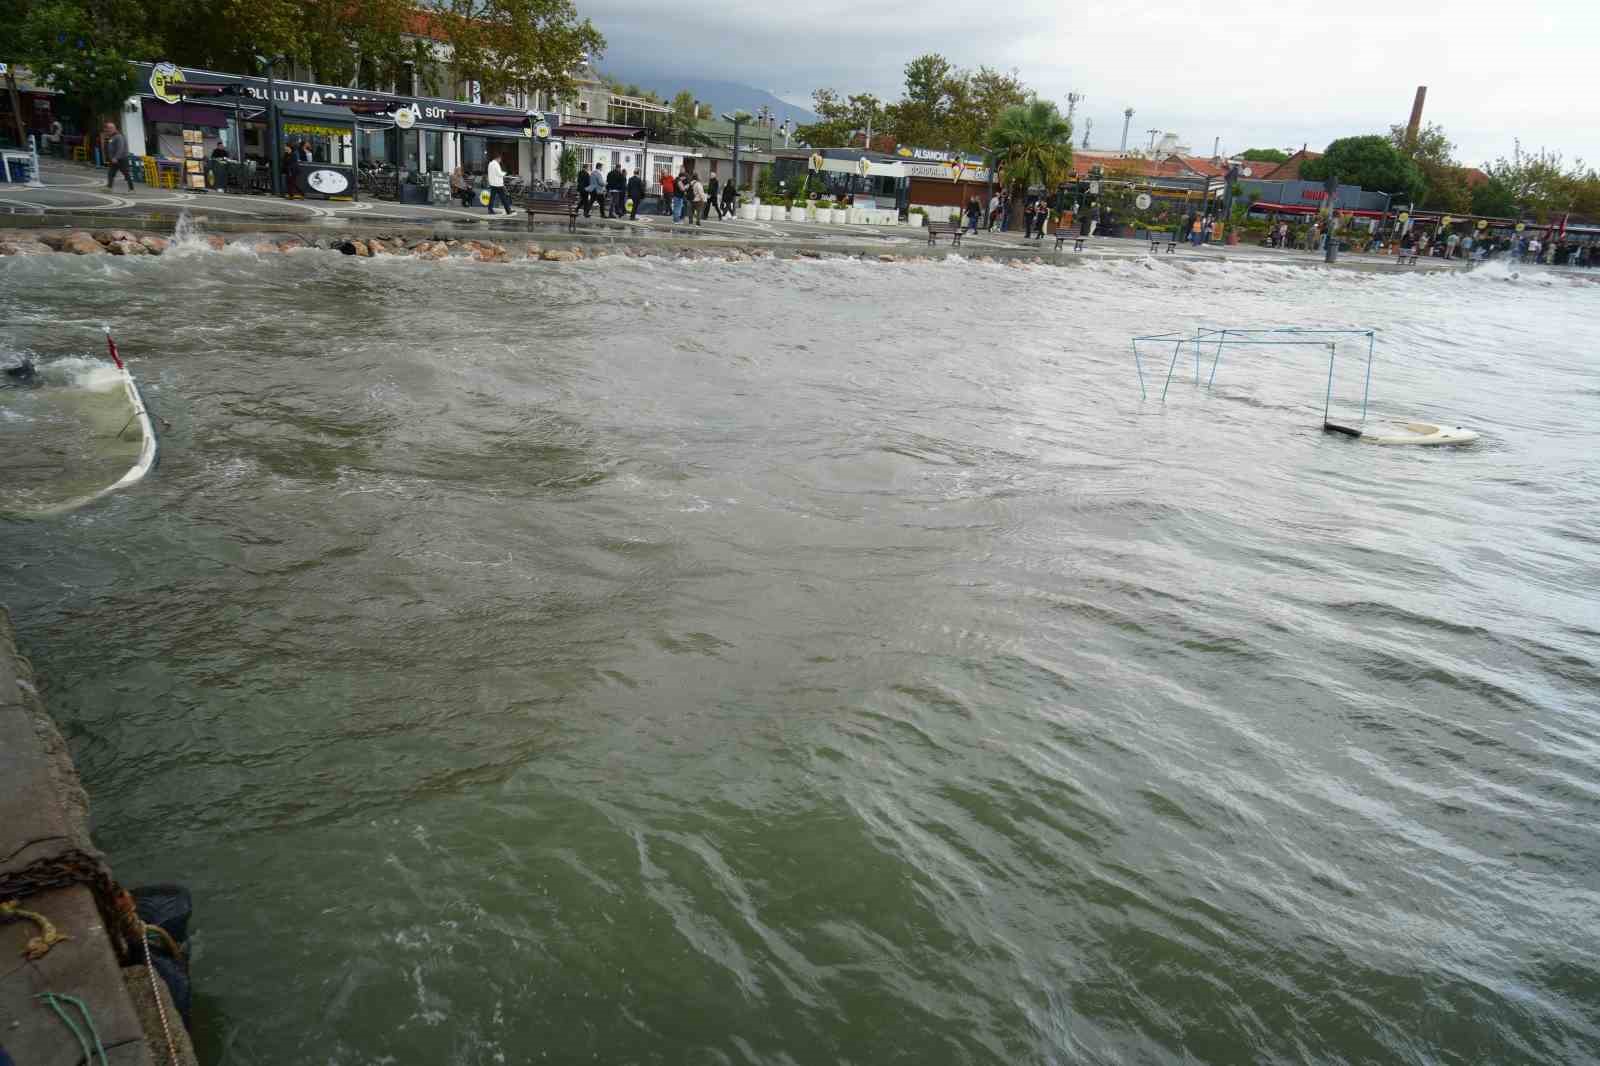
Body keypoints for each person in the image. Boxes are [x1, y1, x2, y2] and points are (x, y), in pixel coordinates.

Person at [102, 121, 134, 192]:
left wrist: (116, 157)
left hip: (121, 158)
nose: (107, 131)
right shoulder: (112, 137)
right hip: (114, 159)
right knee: (111, 173)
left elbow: (120, 148)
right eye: (107, 129)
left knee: (126, 173)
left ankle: (132, 189)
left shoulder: (118, 136)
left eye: (109, 129)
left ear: (113, 128)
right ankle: (109, 188)